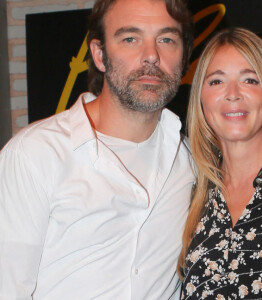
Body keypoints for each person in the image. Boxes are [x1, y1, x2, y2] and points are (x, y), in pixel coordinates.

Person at [0, 0, 195, 298]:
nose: (151, 56)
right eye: (130, 38)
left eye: (166, 39)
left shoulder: (189, 160)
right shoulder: (34, 155)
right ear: (100, 55)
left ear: (183, 56)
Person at [178, 28, 262, 299]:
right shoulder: (190, 194)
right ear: (200, 97)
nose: (233, 94)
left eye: (250, 80)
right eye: (217, 82)